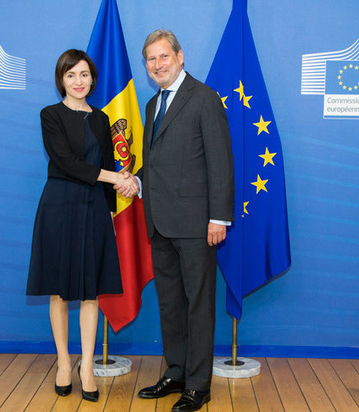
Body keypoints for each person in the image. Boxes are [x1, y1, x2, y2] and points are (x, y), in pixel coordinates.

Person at [26, 49, 139, 403]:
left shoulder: (102, 118)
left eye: (85, 74)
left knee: (91, 291)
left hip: (94, 209)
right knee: (59, 291)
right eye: (71, 75)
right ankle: (64, 363)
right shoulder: (50, 115)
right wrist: (117, 178)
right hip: (59, 206)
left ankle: (86, 367)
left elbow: (108, 163)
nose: (79, 81)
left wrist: (111, 207)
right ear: (61, 79)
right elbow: (66, 162)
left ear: (93, 79)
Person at [133, 29, 234, 412]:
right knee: (170, 304)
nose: (158, 64)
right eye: (151, 59)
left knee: (198, 305)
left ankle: (198, 385)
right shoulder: (151, 105)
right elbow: (155, 164)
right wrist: (136, 182)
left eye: (164, 56)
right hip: (159, 222)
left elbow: (220, 162)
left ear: (180, 56)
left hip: (196, 225)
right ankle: (175, 372)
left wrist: (218, 218)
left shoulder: (204, 98)